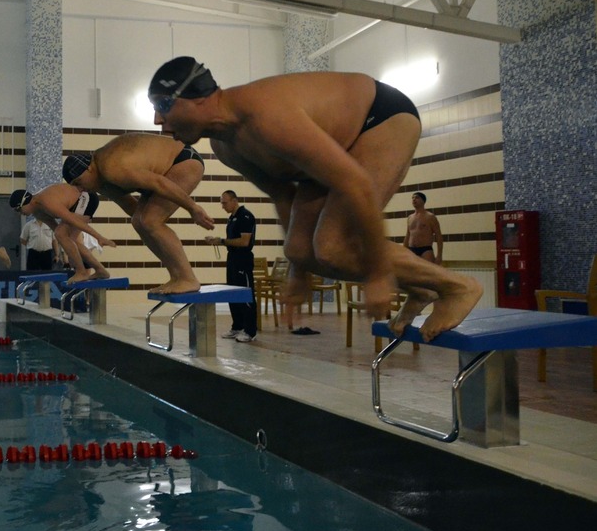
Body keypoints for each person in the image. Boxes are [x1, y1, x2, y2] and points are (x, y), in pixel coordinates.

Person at [147, 56, 482, 342]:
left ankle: (457, 287)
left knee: (335, 247)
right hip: (334, 147)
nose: (157, 121)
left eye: (163, 106)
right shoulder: (225, 146)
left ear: (199, 99)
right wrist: (298, 271)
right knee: (303, 249)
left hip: (380, 118)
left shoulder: (266, 116)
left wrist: (379, 274)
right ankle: (421, 287)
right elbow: (283, 194)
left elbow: (357, 184)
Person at [62, 133, 214, 294]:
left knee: (151, 221)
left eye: (78, 182)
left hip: (182, 160)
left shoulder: (112, 167)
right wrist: (146, 226)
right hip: (160, 175)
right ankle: (177, 277)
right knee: (140, 222)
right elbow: (130, 206)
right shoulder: (101, 184)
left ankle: (188, 278)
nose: (80, 189)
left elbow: (159, 183)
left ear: (89, 168)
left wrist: (192, 208)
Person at [9, 184, 116, 284]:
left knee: (61, 233)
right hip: (77, 204)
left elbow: (75, 221)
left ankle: (81, 272)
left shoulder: (47, 202)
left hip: (86, 198)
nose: (19, 213)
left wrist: (98, 237)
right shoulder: (37, 212)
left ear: (25, 202)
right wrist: (70, 251)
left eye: (18, 209)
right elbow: (59, 233)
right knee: (65, 236)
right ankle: (101, 270)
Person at [205, 189, 257, 342]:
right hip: (232, 258)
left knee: (245, 293)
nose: (222, 206)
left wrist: (221, 241)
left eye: (224, 203)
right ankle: (237, 326)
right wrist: (218, 241)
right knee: (232, 292)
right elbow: (231, 241)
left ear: (234, 201)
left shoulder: (245, 216)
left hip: (243, 259)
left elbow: (244, 241)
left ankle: (250, 330)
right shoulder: (231, 218)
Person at [403, 191, 443, 264]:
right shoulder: (410, 217)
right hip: (412, 249)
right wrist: (403, 252)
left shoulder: (430, 217)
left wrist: (439, 255)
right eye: (413, 198)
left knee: (427, 273)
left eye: (417, 197)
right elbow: (408, 235)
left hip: (425, 250)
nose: (414, 199)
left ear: (423, 201)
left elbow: (438, 236)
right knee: (412, 274)